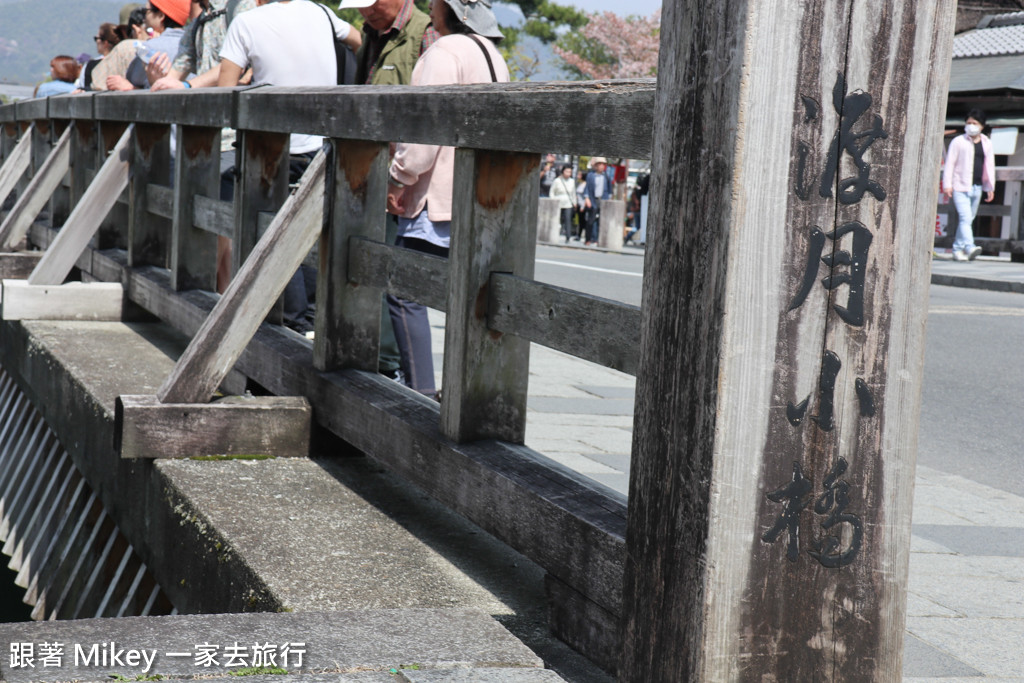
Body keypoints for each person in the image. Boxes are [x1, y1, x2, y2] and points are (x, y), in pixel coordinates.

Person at [384, 0, 509, 398]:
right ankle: (467, 392)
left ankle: (420, 390)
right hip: (483, 197)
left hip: (440, 197)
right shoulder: (491, 54)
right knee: (472, 298)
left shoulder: (443, 51)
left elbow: (424, 134)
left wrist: (397, 177)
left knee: (404, 290)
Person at [218, 0, 361, 330]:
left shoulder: (247, 22)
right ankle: (311, 323)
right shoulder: (321, 13)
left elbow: (225, 91)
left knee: (277, 240)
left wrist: (253, 85)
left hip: (273, 150)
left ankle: (293, 326)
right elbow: (358, 41)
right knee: (311, 233)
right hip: (324, 144)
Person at [340, 0, 441, 380]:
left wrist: (402, 176)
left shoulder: (424, 32)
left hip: (401, 177)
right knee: (365, 264)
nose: (364, 13)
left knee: (394, 276)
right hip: (368, 170)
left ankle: (393, 364)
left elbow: (429, 113)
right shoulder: (370, 35)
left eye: (369, 5)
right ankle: (372, 354)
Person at [149, 0, 258, 91]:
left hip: (239, 108)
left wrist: (188, 85)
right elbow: (177, 70)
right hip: (208, 108)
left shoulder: (242, 7)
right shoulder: (196, 25)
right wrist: (159, 81)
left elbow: (235, 65)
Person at [341, 0, 439, 86]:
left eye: (375, 3)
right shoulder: (367, 33)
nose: (368, 12)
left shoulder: (428, 33)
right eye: (360, 4)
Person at [943, 108, 995, 262]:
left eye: (974, 123)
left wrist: (990, 187)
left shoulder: (987, 142)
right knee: (965, 217)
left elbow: (990, 166)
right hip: (960, 185)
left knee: (968, 219)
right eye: (968, 123)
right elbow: (950, 164)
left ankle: (957, 249)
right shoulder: (958, 141)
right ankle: (970, 246)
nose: (971, 125)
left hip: (977, 186)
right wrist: (947, 184)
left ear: (982, 126)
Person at [106, 0, 190, 91]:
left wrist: (131, 88)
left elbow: (133, 80)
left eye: (146, 11)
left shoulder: (149, 48)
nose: (144, 18)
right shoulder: (195, 45)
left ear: (161, 15)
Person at [583, 156, 613, 245]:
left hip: (603, 199)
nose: (601, 166)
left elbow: (610, 189)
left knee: (601, 221)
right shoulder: (590, 175)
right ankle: (588, 239)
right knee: (590, 221)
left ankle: (598, 239)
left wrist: (609, 199)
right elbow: (587, 188)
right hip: (593, 199)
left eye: (603, 164)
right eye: (599, 164)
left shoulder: (606, 176)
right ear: (595, 166)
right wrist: (587, 198)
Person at [550, 164, 576, 242]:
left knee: (568, 220)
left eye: (570, 172)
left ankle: (568, 236)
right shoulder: (557, 181)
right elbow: (552, 192)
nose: (568, 173)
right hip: (558, 202)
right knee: (557, 220)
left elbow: (573, 193)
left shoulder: (572, 181)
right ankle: (555, 235)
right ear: (563, 171)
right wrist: (553, 201)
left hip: (568, 203)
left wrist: (575, 202)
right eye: (567, 171)